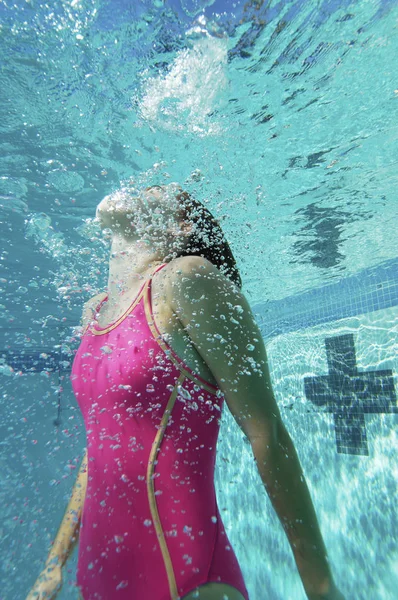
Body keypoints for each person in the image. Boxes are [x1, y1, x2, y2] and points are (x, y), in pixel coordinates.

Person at [26, 183, 345, 600]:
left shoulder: (187, 278)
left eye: (156, 190)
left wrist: (321, 588)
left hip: (187, 576)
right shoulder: (94, 311)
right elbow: (99, 447)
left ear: (180, 226)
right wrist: (53, 567)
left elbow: (266, 432)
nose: (138, 188)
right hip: (98, 577)